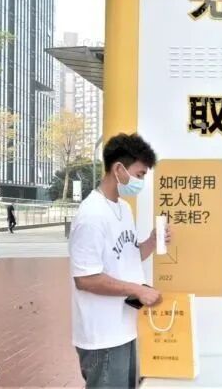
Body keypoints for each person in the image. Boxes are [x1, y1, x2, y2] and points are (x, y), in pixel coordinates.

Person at [68, 133, 170, 388]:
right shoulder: (91, 215)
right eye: (139, 174)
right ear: (118, 169)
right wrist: (138, 290)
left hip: (125, 328)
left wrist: (152, 241)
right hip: (102, 336)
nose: (141, 182)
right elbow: (85, 279)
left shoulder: (124, 208)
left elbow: (128, 257)